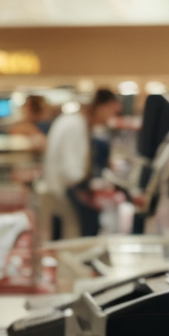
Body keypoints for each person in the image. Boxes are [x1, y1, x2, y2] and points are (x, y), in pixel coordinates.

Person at [43, 89, 122, 238]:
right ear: (103, 107)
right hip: (65, 193)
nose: (112, 118)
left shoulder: (76, 122)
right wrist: (91, 191)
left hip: (62, 191)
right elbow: (71, 171)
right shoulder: (75, 125)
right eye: (113, 112)